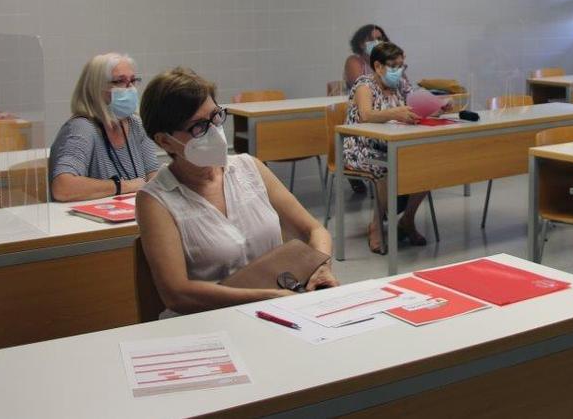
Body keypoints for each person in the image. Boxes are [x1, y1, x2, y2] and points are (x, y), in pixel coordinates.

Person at [136, 68, 337, 316]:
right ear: (165, 141)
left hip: (282, 305)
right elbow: (177, 293)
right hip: (212, 321)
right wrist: (267, 297)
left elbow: (315, 230)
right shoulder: (156, 200)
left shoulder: (249, 168)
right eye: (198, 127)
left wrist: (320, 265)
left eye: (216, 117)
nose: (214, 130)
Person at [345, 41, 431, 254]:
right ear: (378, 66)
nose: (398, 71)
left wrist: (436, 106)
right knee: (384, 167)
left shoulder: (400, 84)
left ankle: (407, 220)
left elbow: (416, 105)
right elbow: (366, 115)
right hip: (361, 145)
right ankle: (376, 225)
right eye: (393, 66)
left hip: (394, 145)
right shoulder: (365, 85)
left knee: (428, 166)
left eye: (401, 65)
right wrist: (395, 113)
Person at [48, 53, 159, 202]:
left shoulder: (136, 124)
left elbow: (153, 177)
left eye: (133, 81)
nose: (130, 88)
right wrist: (123, 186)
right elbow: (63, 188)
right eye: (120, 81)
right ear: (96, 88)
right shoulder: (82, 128)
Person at [344, 24, 390, 89]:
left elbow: (403, 86)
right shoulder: (353, 61)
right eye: (372, 40)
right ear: (361, 44)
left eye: (379, 39)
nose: (377, 42)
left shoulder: (386, 62)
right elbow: (360, 87)